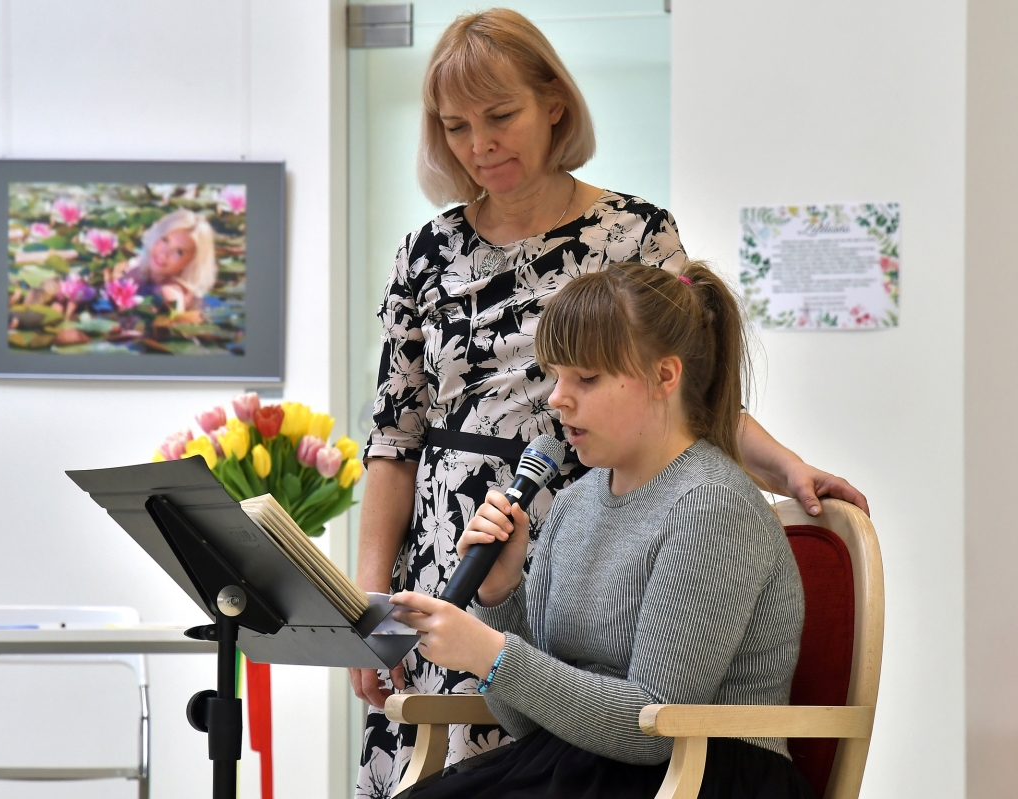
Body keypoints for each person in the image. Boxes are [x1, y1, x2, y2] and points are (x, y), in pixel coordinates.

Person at [353, 9, 867, 795]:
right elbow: (395, 438)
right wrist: (479, 598)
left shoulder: (633, 238)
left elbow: (695, 387)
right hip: (473, 540)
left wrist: (784, 467)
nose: (479, 144)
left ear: (554, 105)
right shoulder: (578, 504)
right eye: (455, 127)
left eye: (500, 116)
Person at [387, 262, 813, 799]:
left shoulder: (713, 506)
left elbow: (652, 729)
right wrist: (500, 594)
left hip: (702, 775)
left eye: (586, 378)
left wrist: (492, 653)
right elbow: (529, 723)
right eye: (556, 374)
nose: (557, 398)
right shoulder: (573, 502)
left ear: (665, 376)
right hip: (591, 767)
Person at [115, 208, 217, 312]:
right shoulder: (137, 273)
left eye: (179, 252)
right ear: (156, 234)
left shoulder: (170, 295)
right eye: (165, 240)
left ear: (191, 262)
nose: (164, 254)